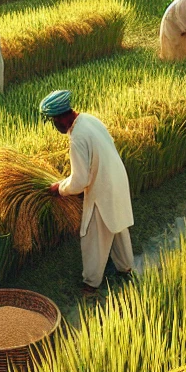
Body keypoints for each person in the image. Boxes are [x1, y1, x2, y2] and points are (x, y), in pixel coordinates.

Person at [40, 89, 134, 295]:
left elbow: (79, 181)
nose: (54, 125)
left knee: (93, 238)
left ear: (60, 118)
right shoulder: (89, 120)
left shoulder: (77, 139)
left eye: (53, 121)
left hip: (102, 190)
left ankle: (91, 284)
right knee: (118, 227)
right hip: (117, 180)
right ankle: (125, 267)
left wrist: (59, 188)